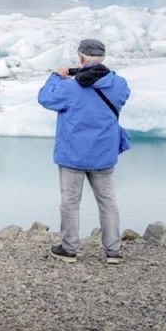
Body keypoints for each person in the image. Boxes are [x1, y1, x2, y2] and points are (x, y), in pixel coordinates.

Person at [38, 38, 130, 265]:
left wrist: (56, 76)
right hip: (104, 154)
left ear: (80, 58)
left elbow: (45, 98)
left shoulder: (69, 88)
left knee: (70, 202)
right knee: (107, 202)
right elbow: (122, 95)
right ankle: (113, 252)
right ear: (103, 58)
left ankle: (68, 249)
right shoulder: (119, 84)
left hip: (73, 155)